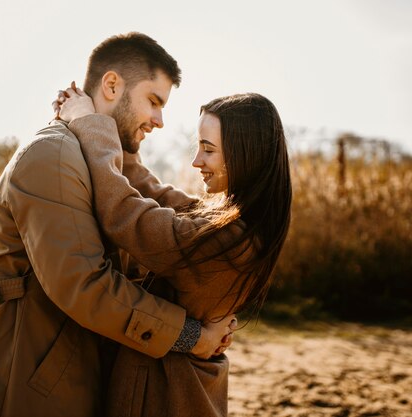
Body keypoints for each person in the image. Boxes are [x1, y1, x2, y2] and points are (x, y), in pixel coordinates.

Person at [0, 32, 236, 417]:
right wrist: (190, 337)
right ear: (112, 84)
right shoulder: (52, 156)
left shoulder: (91, 157)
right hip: (21, 386)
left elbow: (157, 213)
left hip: (65, 377)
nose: (160, 120)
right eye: (153, 101)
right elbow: (84, 284)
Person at [55, 89, 292, 416]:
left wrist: (89, 123)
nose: (196, 161)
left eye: (208, 149)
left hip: (166, 395)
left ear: (244, 155)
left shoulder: (225, 241)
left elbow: (124, 214)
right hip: (183, 391)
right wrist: (115, 128)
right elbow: (157, 194)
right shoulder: (239, 224)